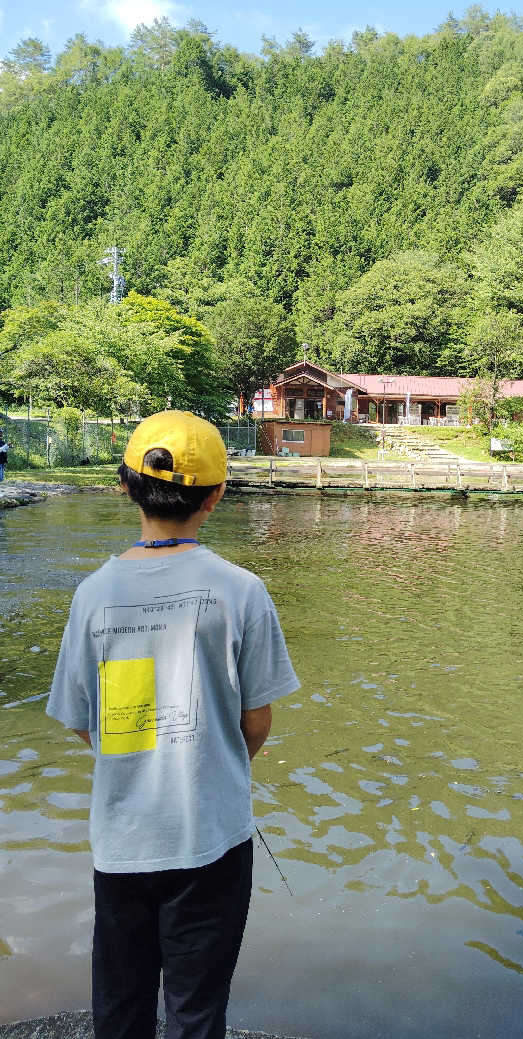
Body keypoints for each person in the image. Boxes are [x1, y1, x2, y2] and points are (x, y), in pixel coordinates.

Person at [46, 410, 301, 1039]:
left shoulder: (93, 594)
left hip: (122, 841)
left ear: (124, 485)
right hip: (213, 838)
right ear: (217, 495)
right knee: (196, 1008)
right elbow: (258, 721)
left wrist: (138, 752)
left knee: (121, 1004)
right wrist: (211, 756)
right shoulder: (242, 591)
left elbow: (84, 723)